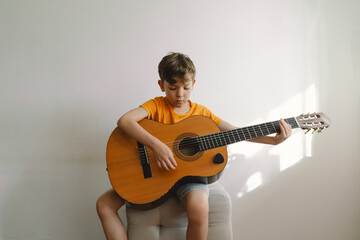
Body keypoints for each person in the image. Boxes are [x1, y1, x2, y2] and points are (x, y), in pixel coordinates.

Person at [96, 52, 292, 240]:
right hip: (153, 178)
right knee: (104, 204)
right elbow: (125, 121)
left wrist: (273, 140)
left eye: (186, 87)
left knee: (199, 209)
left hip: (189, 178)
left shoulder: (201, 114)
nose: (180, 94)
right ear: (161, 85)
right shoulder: (156, 105)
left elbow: (236, 132)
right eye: (173, 88)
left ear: (193, 84)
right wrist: (157, 146)